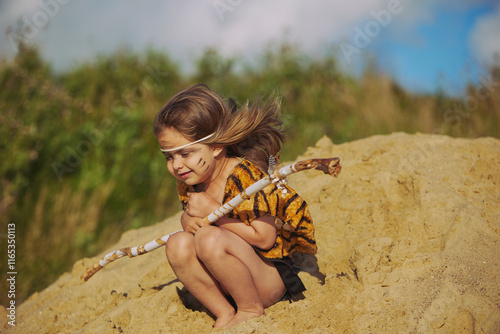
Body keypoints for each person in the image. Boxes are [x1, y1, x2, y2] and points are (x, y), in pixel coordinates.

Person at [153, 84, 317, 328]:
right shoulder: (190, 183)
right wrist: (188, 221)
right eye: (169, 157)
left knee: (210, 238)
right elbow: (195, 226)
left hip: (267, 277)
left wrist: (214, 214)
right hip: (231, 282)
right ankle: (224, 312)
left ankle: (250, 309)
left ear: (217, 146)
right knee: (177, 243)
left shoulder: (247, 176)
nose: (176, 165)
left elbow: (265, 239)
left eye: (185, 153)